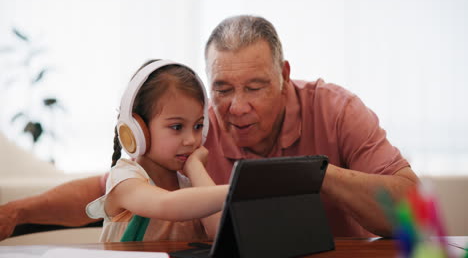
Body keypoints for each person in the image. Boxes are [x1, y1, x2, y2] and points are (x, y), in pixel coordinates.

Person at [0, 15, 418, 240]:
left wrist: (317, 175)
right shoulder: (194, 128)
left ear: (284, 75)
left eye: (255, 87)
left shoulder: (337, 109)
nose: (236, 108)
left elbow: (413, 212)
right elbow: (105, 189)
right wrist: (18, 212)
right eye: (221, 88)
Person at [86, 59, 228, 242]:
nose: (191, 140)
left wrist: (195, 168)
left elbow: (218, 232)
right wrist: (237, 189)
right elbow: (167, 205)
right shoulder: (124, 180)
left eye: (198, 126)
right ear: (138, 130)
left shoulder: (191, 187)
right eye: (177, 127)